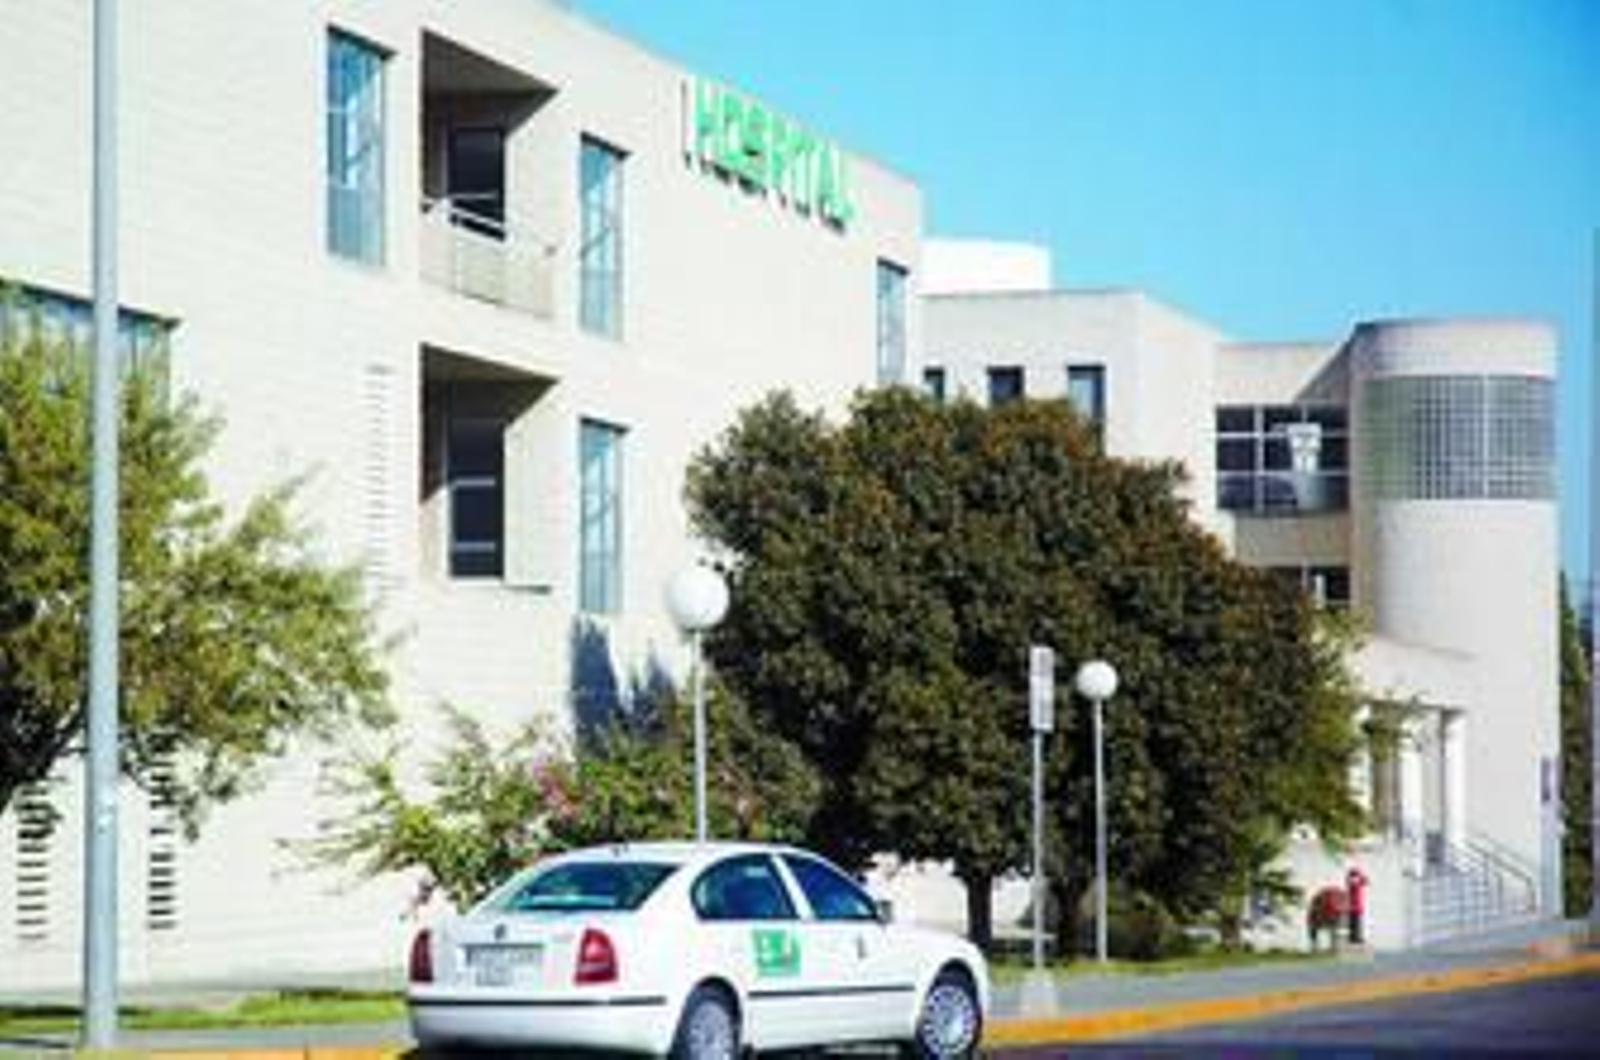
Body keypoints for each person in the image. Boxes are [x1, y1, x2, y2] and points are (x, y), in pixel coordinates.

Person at [1345, 864, 1369, 945]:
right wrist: (1359, 874)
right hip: (1354, 907)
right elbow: (1364, 881)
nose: (1356, 877)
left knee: (1356, 923)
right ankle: (1354, 938)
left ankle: (1355, 938)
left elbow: (1366, 881)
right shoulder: (1353, 883)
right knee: (1355, 924)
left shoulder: (1354, 883)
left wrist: (1359, 874)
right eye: (1355, 875)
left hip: (1356, 907)